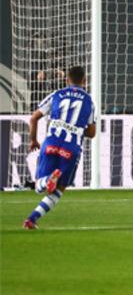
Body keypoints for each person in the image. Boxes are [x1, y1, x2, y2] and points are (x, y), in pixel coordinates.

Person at [23, 66, 95, 229]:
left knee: (39, 187)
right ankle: (32, 219)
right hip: (71, 149)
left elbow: (34, 118)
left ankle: (45, 184)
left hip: (51, 143)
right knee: (59, 190)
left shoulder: (56, 94)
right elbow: (92, 133)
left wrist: (33, 140)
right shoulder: (89, 101)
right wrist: (77, 128)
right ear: (85, 81)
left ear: (67, 80)